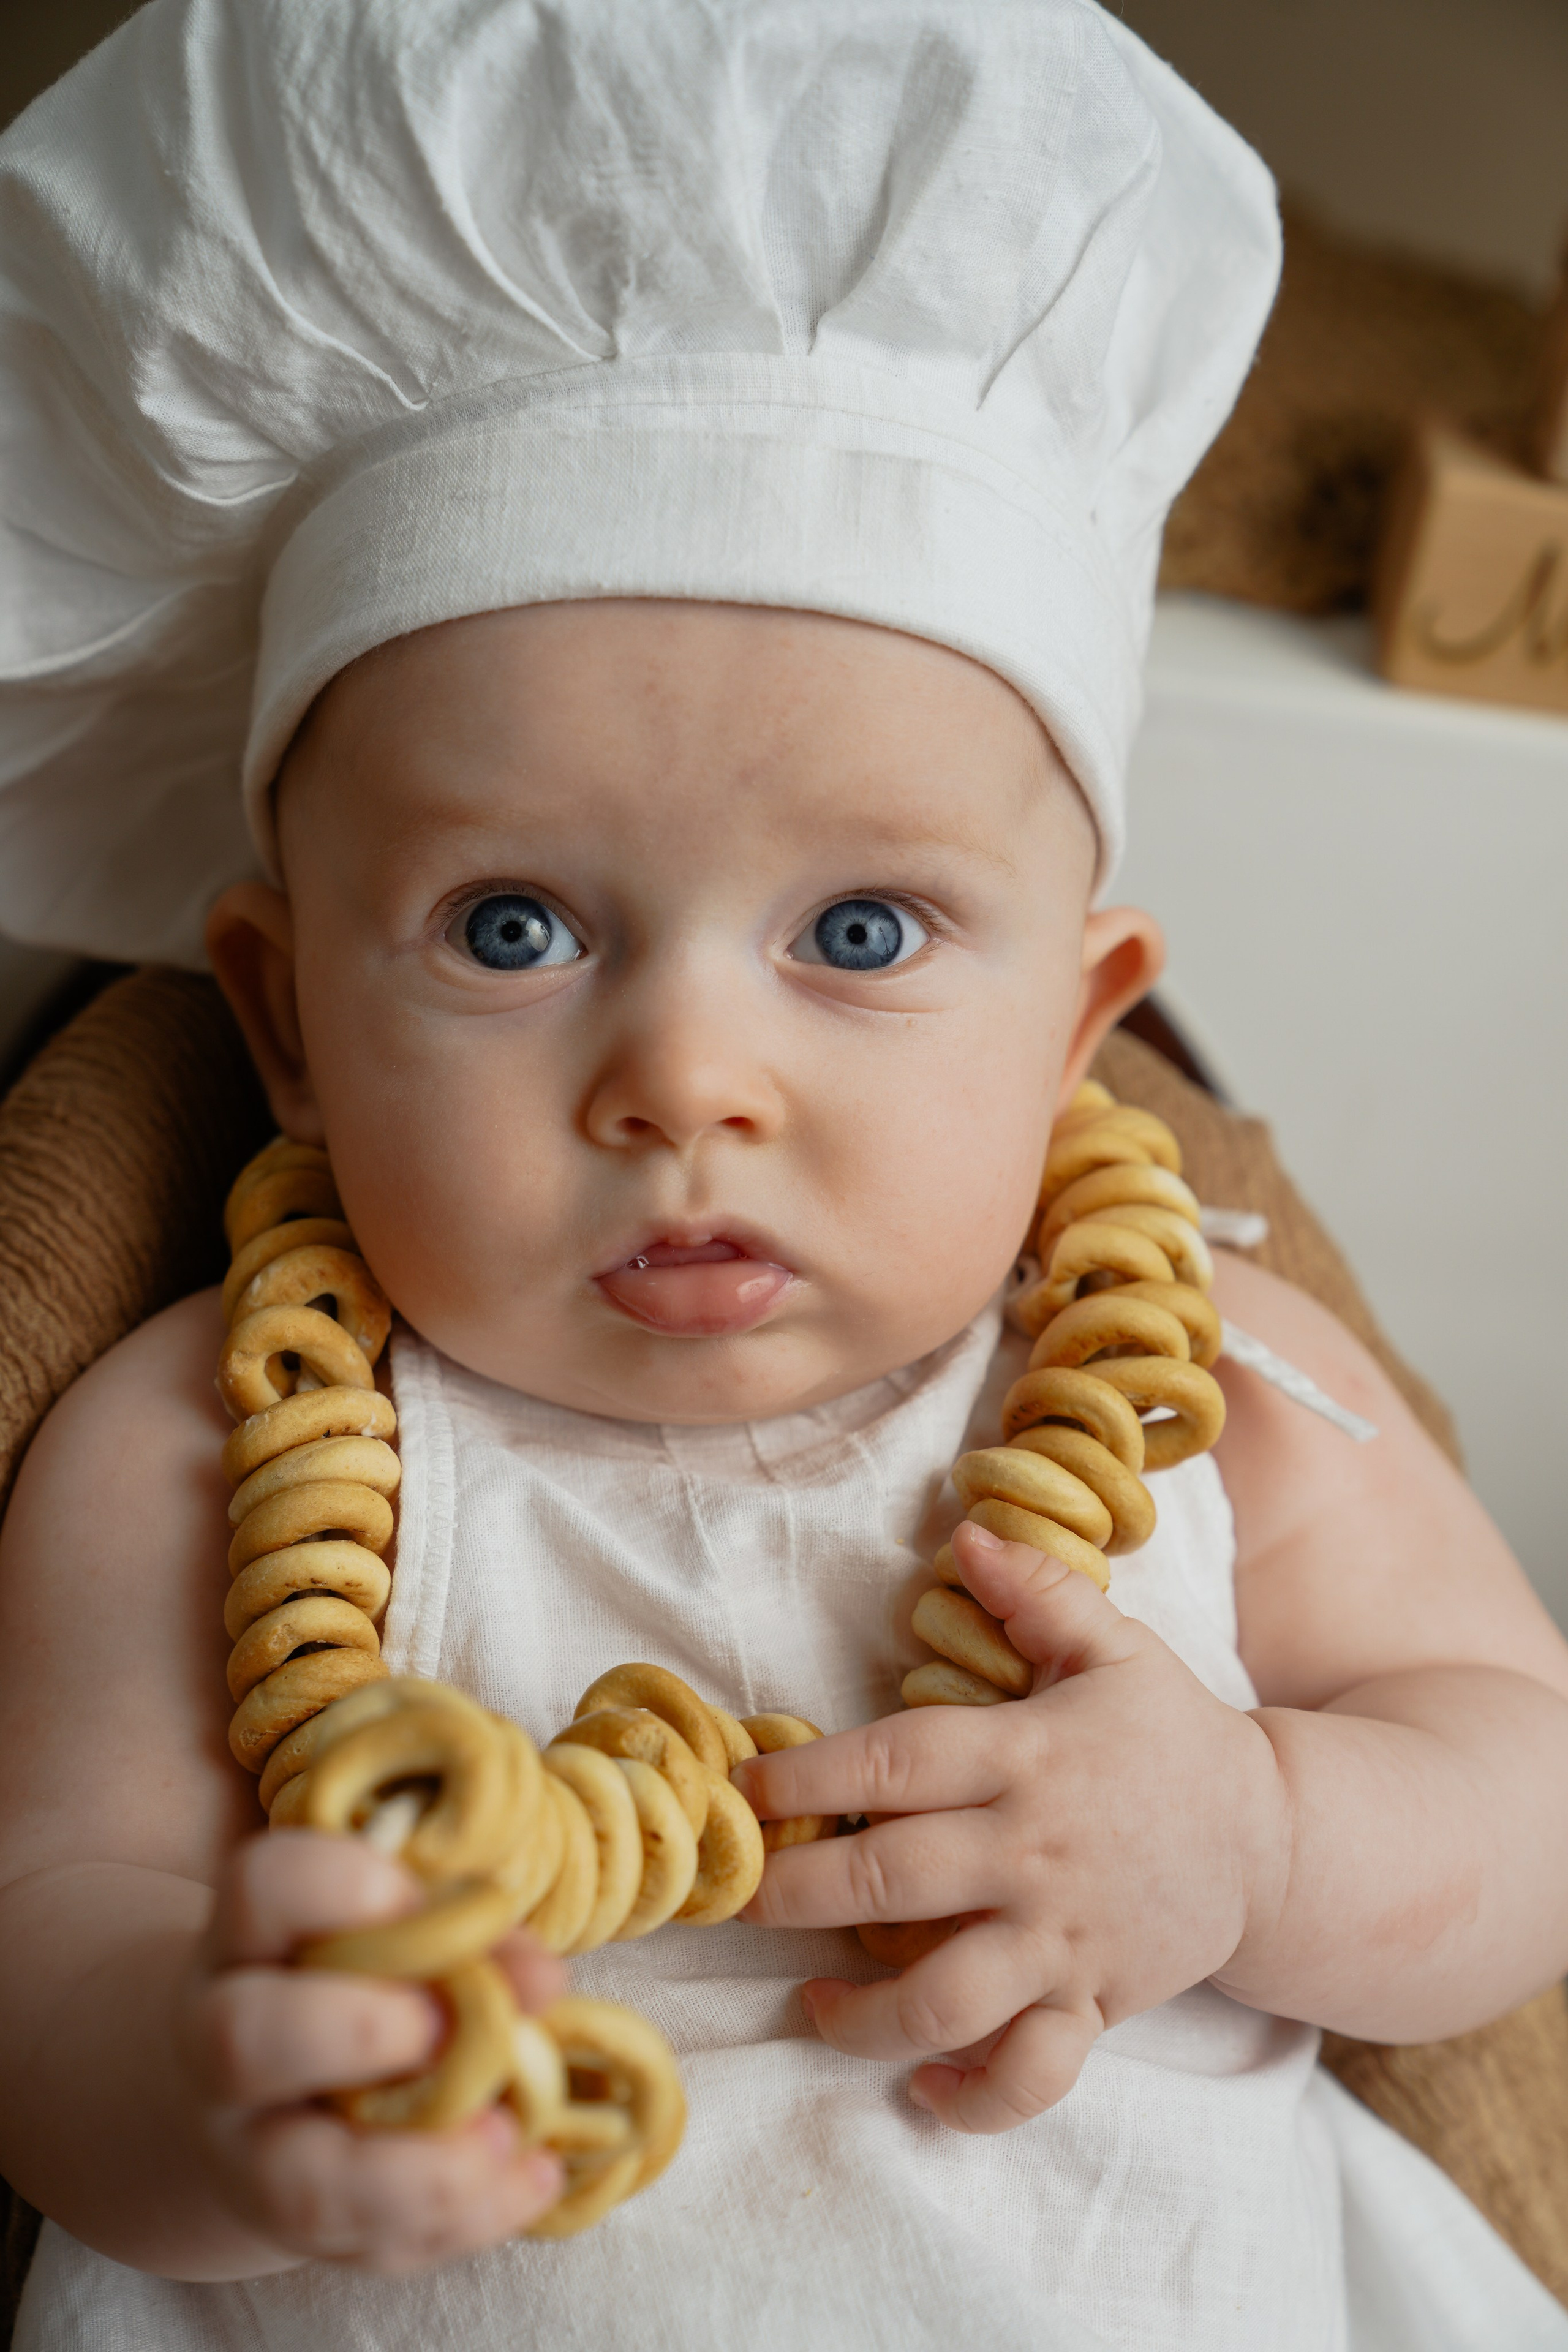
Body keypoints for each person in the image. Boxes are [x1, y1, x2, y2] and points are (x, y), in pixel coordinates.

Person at [2, 2, 1568, 2346]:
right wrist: (219, 2080)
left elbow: (1525, 1793)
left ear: (1077, 1022)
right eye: (514, 930)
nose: (685, 1081)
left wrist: (1253, 1833)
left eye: (859, 933)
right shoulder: (195, 1451)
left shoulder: (1212, 1381)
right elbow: (48, 1932)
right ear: (286, 1019)